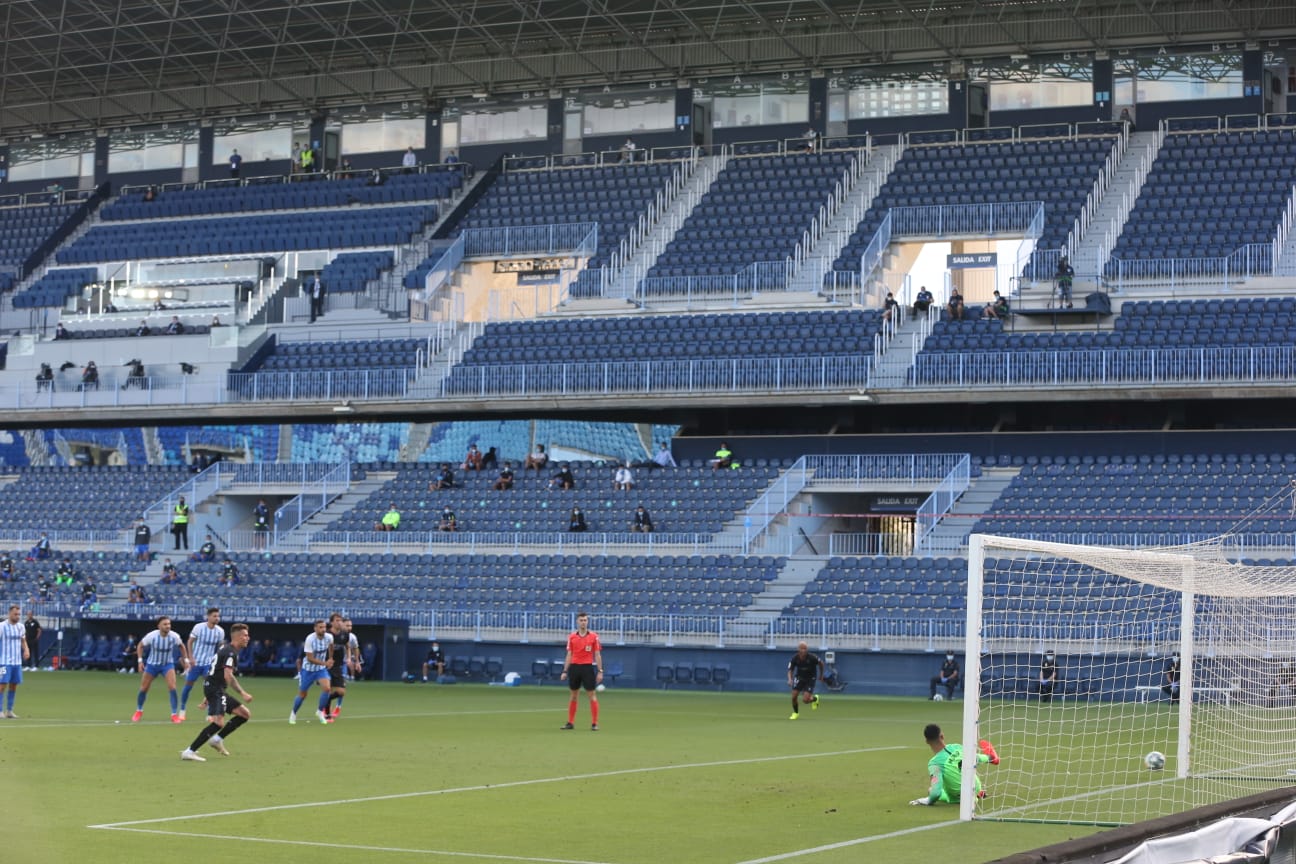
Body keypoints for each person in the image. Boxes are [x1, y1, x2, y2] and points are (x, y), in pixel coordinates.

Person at [181, 622, 254, 761]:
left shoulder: (227, 650)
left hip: (215, 689)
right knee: (218, 722)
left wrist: (208, 695)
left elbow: (216, 673)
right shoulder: (230, 653)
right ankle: (189, 751)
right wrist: (242, 693)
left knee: (244, 714)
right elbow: (228, 676)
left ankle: (217, 739)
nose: (248, 638)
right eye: (245, 635)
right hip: (215, 690)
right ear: (237, 637)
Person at [910, 723, 999, 806]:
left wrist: (926, 800)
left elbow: (936, 793)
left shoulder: (934, 764)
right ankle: (991, 758)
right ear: (942, 736)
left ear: (926, 741)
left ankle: (971, 794)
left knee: (931, 790)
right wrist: (988, 758)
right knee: (970, 759)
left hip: (960, 798)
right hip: (976, 786)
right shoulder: (956, 747)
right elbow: (975, 758)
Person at [132, 615, 191, 723]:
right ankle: (139, 710)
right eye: (165, 624)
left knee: (172, 687)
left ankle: (174, 714)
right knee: (144, 688)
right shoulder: (152, 636)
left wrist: (186, 660)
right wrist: (140, 661)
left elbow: (181, 646)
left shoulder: (174, 636)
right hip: (152, 665)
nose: (168, 626)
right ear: (159, 626)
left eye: (169, 624)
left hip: (167, 665)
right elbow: (140, 645)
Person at [560, 610, 604, 730]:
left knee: (592, 695)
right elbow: (569, 654)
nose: (583, 622)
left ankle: (594, 723)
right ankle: (570, 722)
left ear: (587, 621)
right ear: (577, 622)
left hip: (587, 668)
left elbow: (597, 654)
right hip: (574, 668)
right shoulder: (572, 636)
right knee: (573, 695)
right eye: (581, 620)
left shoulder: (594, 637)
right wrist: (565, 671)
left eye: (585, 620)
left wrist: (600, 671)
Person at [179, 608, 224, 721]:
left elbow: (220, 647)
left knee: (211, 687)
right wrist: (191, 657)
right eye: (214, 616)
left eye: (218, 616)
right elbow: (190, 641)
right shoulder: (199, 627)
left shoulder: (220, 631)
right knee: (188, 685)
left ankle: (210, 713)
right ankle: (182, 710)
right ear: (208, 617)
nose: (217, 618)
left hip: (209, 663)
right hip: (196, 662)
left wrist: (219, 661)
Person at [289, 619, 334, 724]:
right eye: (320, 627)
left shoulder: (329, 637)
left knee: (327, 688)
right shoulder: (310, 639)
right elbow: (309, 658)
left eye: (324, 627)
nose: (323, 629)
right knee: (303, 694)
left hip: (320, 669)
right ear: (315, 628)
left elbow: (331, 647)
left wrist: (330, 658)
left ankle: (319, 711)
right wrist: (325, 663)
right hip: (308, 669)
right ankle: (293, 713)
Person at [0, 605, 29, 718]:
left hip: (17, 662)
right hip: (4, 661)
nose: (17, 616)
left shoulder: (21, 627)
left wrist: (26, 649)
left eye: (18, 614)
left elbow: (23, 640)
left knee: (14, 685)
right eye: (15, 614)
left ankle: (9, 710)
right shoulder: (2, 626)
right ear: (9, 614)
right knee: (2, 686)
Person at [324, 614, 354, 720]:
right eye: (337, 620)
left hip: (338, 666)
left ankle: (324, 702)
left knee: (341, 692)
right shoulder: (327, 634)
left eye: (340, 620)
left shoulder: (344, 635)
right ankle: (327, 715)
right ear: (331, 622)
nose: (339, 622)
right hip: (326, 666)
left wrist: (349, 658)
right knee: (328, 689)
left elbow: (347, 646)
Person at [786, 641, 824, 720]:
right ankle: (795, 713)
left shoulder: (812, 657)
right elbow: (790, 670)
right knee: (794, 697)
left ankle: (815, 699)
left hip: (810, 678)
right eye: (802, 648)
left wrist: (821, 675)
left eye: (805, 648)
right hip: (799, 677)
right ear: (798, 649)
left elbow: (821, 664)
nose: (804, 650)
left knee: (805, 700)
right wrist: (790, 679)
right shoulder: (795, 658)